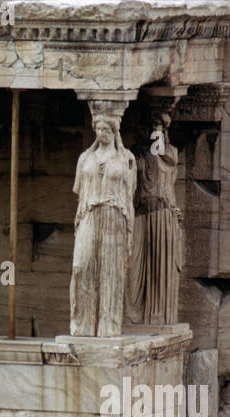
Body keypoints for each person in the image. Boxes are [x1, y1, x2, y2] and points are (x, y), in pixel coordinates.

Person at [70, 114, 136, 337]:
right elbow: (79, 192)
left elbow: (129, 195)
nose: (101, 133)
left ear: (114, 131)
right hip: (89, 212)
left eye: (105, 129)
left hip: (114, 214)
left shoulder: (126, 158)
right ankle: (83, 324)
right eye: (98, 129)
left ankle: (108, 326)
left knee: (111, 271)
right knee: (81, 265)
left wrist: (129, 230)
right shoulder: (85, 158)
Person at [126, 113, 182, 325]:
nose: (156, 132)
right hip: (139, 212)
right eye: (153, 126)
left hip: (162, 213)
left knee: (161, 269)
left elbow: (161, 159)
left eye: (160, 127)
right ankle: (133, 316)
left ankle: (157, 318)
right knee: (133, 268)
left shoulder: (170, 154)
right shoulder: (135, 153)